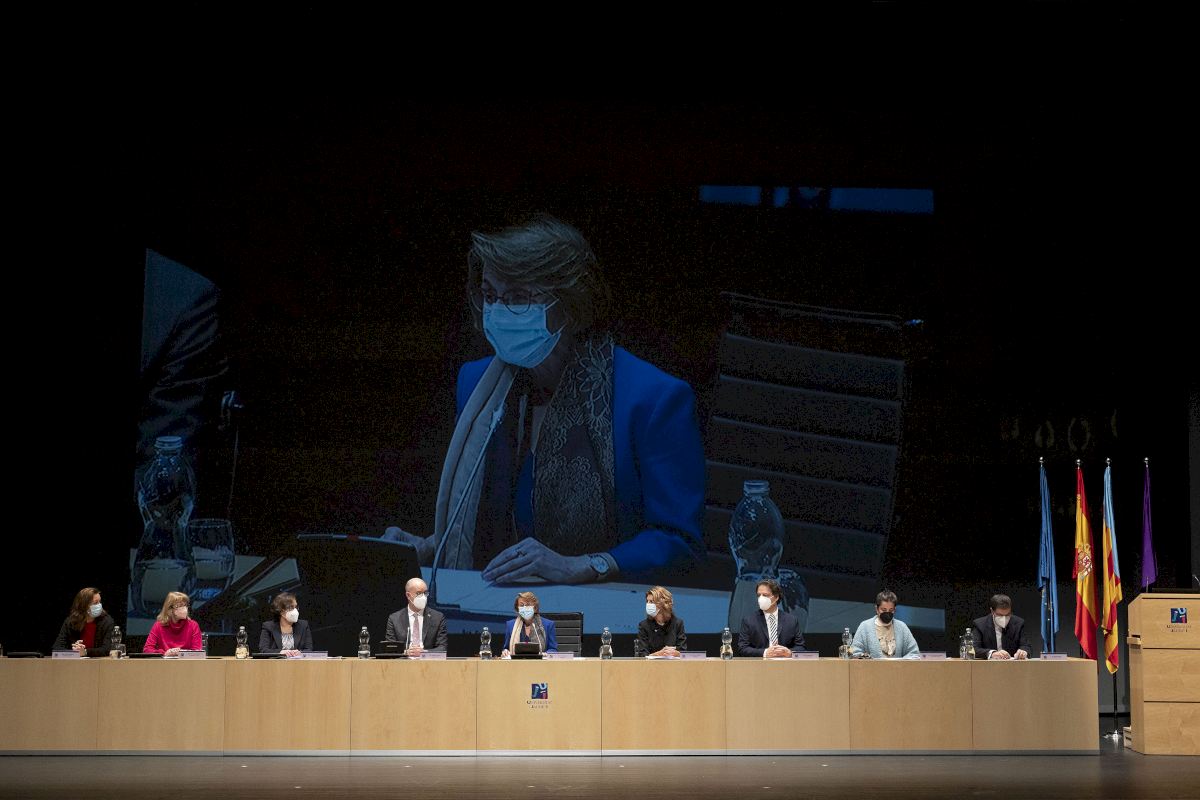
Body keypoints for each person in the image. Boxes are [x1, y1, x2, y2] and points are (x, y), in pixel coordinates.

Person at [384, 214, 705, 585]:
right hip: (504, 603)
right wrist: (429, 546)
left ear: (569, 304)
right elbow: (491, 521)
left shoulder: (654, 399)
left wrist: (583, 565)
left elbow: (680, 543)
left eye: (518, 298)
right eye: (490, 295)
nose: (498, 311)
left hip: (609, 608)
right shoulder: (476, 386)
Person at [737, 578, 806, 658]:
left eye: (765, 595)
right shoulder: (749, 621)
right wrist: (765, 653)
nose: (761, 599)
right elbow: (742, 648)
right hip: (760, 664)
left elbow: (801, 647)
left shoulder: (791, 620)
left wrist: (789, 652)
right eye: (759, 595)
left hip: (785, 664)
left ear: (776, 597)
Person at [384, 577, 448, 657]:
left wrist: (424, 653)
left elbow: (442, 648)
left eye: (425, 593)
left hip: (428, 663)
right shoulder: (394, 619)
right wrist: (405, 653)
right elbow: (389, 649)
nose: (423, 597)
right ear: (408, 595)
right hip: (403, 663)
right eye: (419, 593)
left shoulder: (437, 618)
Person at [850, 590, 920, 659]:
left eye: (891, 610)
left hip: (898, 666)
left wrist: (900, 663)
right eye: (884, 610)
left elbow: (914, 653)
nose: (887, 613)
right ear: (877, 609)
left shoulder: (902, 627)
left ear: (894, 609)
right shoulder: (865, 627)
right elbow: (855, 653)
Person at [52, 587, 116, 657]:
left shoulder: (107, 621)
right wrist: (74, 651)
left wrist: (85, 652)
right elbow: (56, 648)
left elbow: (107, 649)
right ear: (84, 605)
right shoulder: (70, 622)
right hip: (73, 662)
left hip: (98, 662)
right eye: (95, 602)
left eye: (99, 602)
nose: (99, 605)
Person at [970, 594, 1033, 660]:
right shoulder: (980, 624)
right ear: (992, 611)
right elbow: (973, 649)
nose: (1004, 619)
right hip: (988, 665)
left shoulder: (1019, 623)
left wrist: (1023, 652)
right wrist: (992, 653)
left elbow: (1027, 646)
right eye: (1000, 615)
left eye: (1007, 615)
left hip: (1013, 665)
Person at [500, 591, 557, 657]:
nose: (525, 608)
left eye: (528, 605)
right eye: (521, 605)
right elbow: (506, 648)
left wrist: (546, 654)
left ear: (535, 608)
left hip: (540, 662)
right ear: (518, 608)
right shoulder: (510, 625)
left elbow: (553, 649)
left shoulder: (548, 625)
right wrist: (505, 651)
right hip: (517, 662)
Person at [259, 592, 314, 656]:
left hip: (297, 661)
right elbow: (263, 650)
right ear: (281, 611)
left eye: (296, 607)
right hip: (277, 662)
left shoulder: (303, 625)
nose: (295, 611)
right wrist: (280, 652)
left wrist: (300, 653)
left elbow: (309, 649)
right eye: (291, 608)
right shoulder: (268, 626)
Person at [637, 585, 687, 657]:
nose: (648, 605)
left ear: (663, 603)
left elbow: (683, 652)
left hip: (673, 663)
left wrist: (676, 653)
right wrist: (658, 654)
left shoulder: (678, 623)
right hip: (652, 664)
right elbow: (642, 655)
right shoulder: (644, 625)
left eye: (651, 601)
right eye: (647, 601)